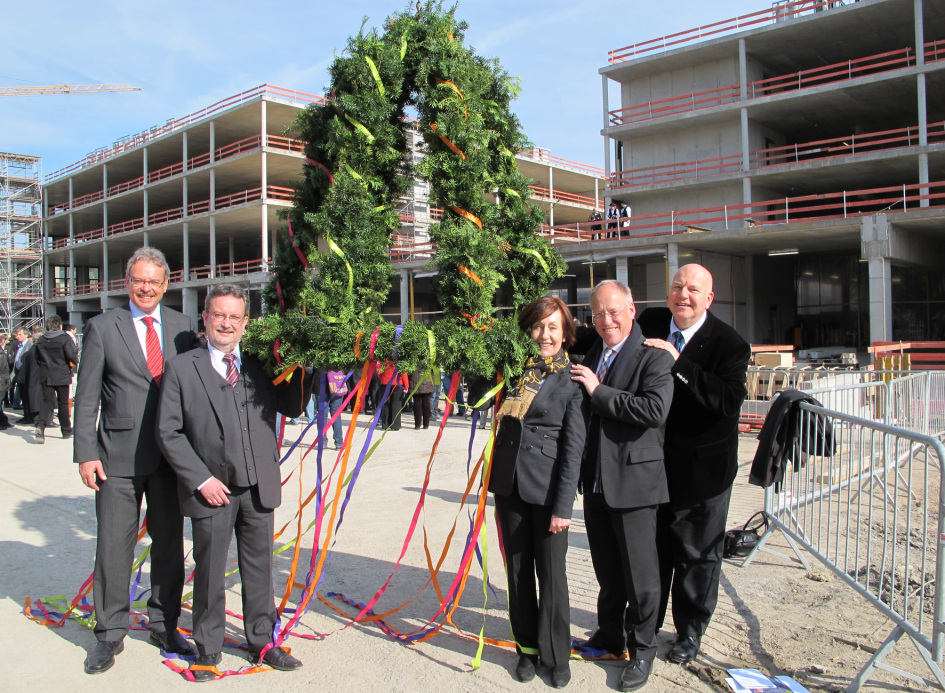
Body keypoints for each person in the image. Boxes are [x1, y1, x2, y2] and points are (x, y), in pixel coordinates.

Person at [156, 283, 311, 682]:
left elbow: (293, 407)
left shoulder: (262, 363)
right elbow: (168, 432)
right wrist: (200, 478)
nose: (226, 323)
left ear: (245, 323)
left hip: (258, 485)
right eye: (219, 315)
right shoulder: (182, 368)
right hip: (212, 489)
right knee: (209, 569)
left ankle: (263, 640)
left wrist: (303, 363)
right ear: (205, 318)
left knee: (260, 568)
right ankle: (208, 647)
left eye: (234, 317)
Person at [73, 246, 199, 675]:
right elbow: (87, 396)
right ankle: (109, 632)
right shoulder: (102, 326)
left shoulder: (183, 328)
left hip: (170, 460)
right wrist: (86, 453)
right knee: (113, 547)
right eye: (139, 280)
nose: (146, 288)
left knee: (168, 546)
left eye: (154, 281)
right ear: (127, 283)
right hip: (116, 458)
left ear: (166, 284)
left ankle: (164, 624)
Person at [642, 264, 751, 665]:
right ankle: (645, 625)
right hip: (653, 466)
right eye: (677, 287)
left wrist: (678, 362)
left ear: (709, 298)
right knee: (653, 551)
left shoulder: (730, 344)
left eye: (692, 289)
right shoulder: (651, 321)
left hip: (704, 471)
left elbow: (727, 401)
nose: (683, 295)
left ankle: (690, 631)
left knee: (697, 555)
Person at [569, 280, 674, 692]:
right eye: (598, 313)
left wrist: (598, 391)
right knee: (608, 572)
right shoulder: (594, 351)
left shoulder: (654, 355)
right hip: (596, 482)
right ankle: (609, 635)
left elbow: (653, 410)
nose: (606, 320)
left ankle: (643, 648)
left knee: (641, 576)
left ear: (632, 310)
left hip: (634, 484)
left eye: (613, 312)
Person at [490, 296, 586, 688]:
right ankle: (527, 649)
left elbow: (573, 448)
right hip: (510, 485)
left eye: (553, 327)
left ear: (565, 334)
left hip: (548, 492)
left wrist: (564, 506)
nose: (545, 335)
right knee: (517, 573)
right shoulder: (514, 369)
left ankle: (557, 654)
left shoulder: (572, 378)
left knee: (552, 575)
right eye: (538, 326)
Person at [33, 314, 79, 443]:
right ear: (60, 326)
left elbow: (37, 358)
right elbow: (72, 357)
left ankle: (40, 426)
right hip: (62, 374)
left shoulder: (41, 339)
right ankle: (66, 430)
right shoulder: (64, 339)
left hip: (46, 374)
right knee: (63, 403)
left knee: (46, 402)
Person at [377, 360, 408, 431]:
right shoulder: (400, 360)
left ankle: (385, 424)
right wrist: (406, 385)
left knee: (386, 404)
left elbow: (378, 371)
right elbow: (404, 373)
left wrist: (383, 379)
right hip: (398, 383)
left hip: (385, 382)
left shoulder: (383, 360)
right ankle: (395, 425)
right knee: (396, 404)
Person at [323, 369, 348, 447]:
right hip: (337, 384)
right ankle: (339, 443)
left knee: (323, 417)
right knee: (336, 416)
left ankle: (323, 442)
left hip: (322, 386)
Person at [409, 365, 435, 429]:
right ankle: (426, 424)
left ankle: (417, 424)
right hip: (427, 378)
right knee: (426, 401)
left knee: (417, 402)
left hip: (415, 378)